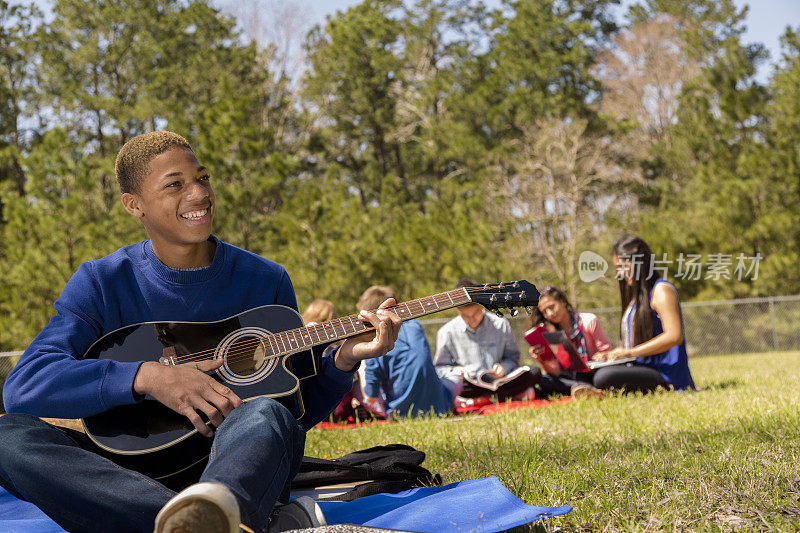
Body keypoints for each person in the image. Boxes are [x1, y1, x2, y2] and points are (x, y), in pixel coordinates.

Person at [0, 131, 402, 533]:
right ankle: (198, 522)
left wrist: (343, 361)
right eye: (175, 184)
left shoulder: (265, 280)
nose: (198, 193)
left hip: (234, 471)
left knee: (264, 411)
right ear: (133, 205)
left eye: (203, 178)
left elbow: (292, 416)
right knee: (7, 437)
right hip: (120, 480)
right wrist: (147, 377)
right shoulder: (101, 281)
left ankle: (203, 514)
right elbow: (25, 386)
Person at [591, 235, 696, 392]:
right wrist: (617, 352)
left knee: (603, 376)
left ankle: (595, 389)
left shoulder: (661, 290)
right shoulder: (636, 297)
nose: (620, 273)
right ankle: (588, 389)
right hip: (641, 366)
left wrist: (630, 353)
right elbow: (641, 340)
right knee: (591, 371)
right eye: (617, 268)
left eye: (622, 266)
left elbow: (674, 336)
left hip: (664, 374)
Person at [434, 278, 540, 405]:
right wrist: (455, 370)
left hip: (499, 381)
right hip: (470, 385)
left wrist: (503, 368)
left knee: (535, 372)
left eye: (476, 313)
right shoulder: (446, 332)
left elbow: (513, 357)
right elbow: (440, 368)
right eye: (466, 316)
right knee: (449, 385)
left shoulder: (500, 324)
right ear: (458, 311)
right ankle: (501, 397)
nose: (472, 320)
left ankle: (480, 400)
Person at [358, 286, 452, 418]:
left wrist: (361, 367)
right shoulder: (414, 324)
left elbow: (371, 397)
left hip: (402, 413)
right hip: (440, 406)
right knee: (455, 379)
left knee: (362, 373)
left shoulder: (374, 340)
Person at [528, 285, 610, 399]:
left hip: (593, 371)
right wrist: (541, 360)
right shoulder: (551, 334)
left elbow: (606, 352)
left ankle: (584, 388)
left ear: (563, 302)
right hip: (570, 376)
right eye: (545, 312)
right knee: (543, 380)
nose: (550, 314)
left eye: (552, 307)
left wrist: (600, 356)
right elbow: (556, 372)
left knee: (601, 377)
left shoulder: (589, 320)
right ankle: (585, 390)